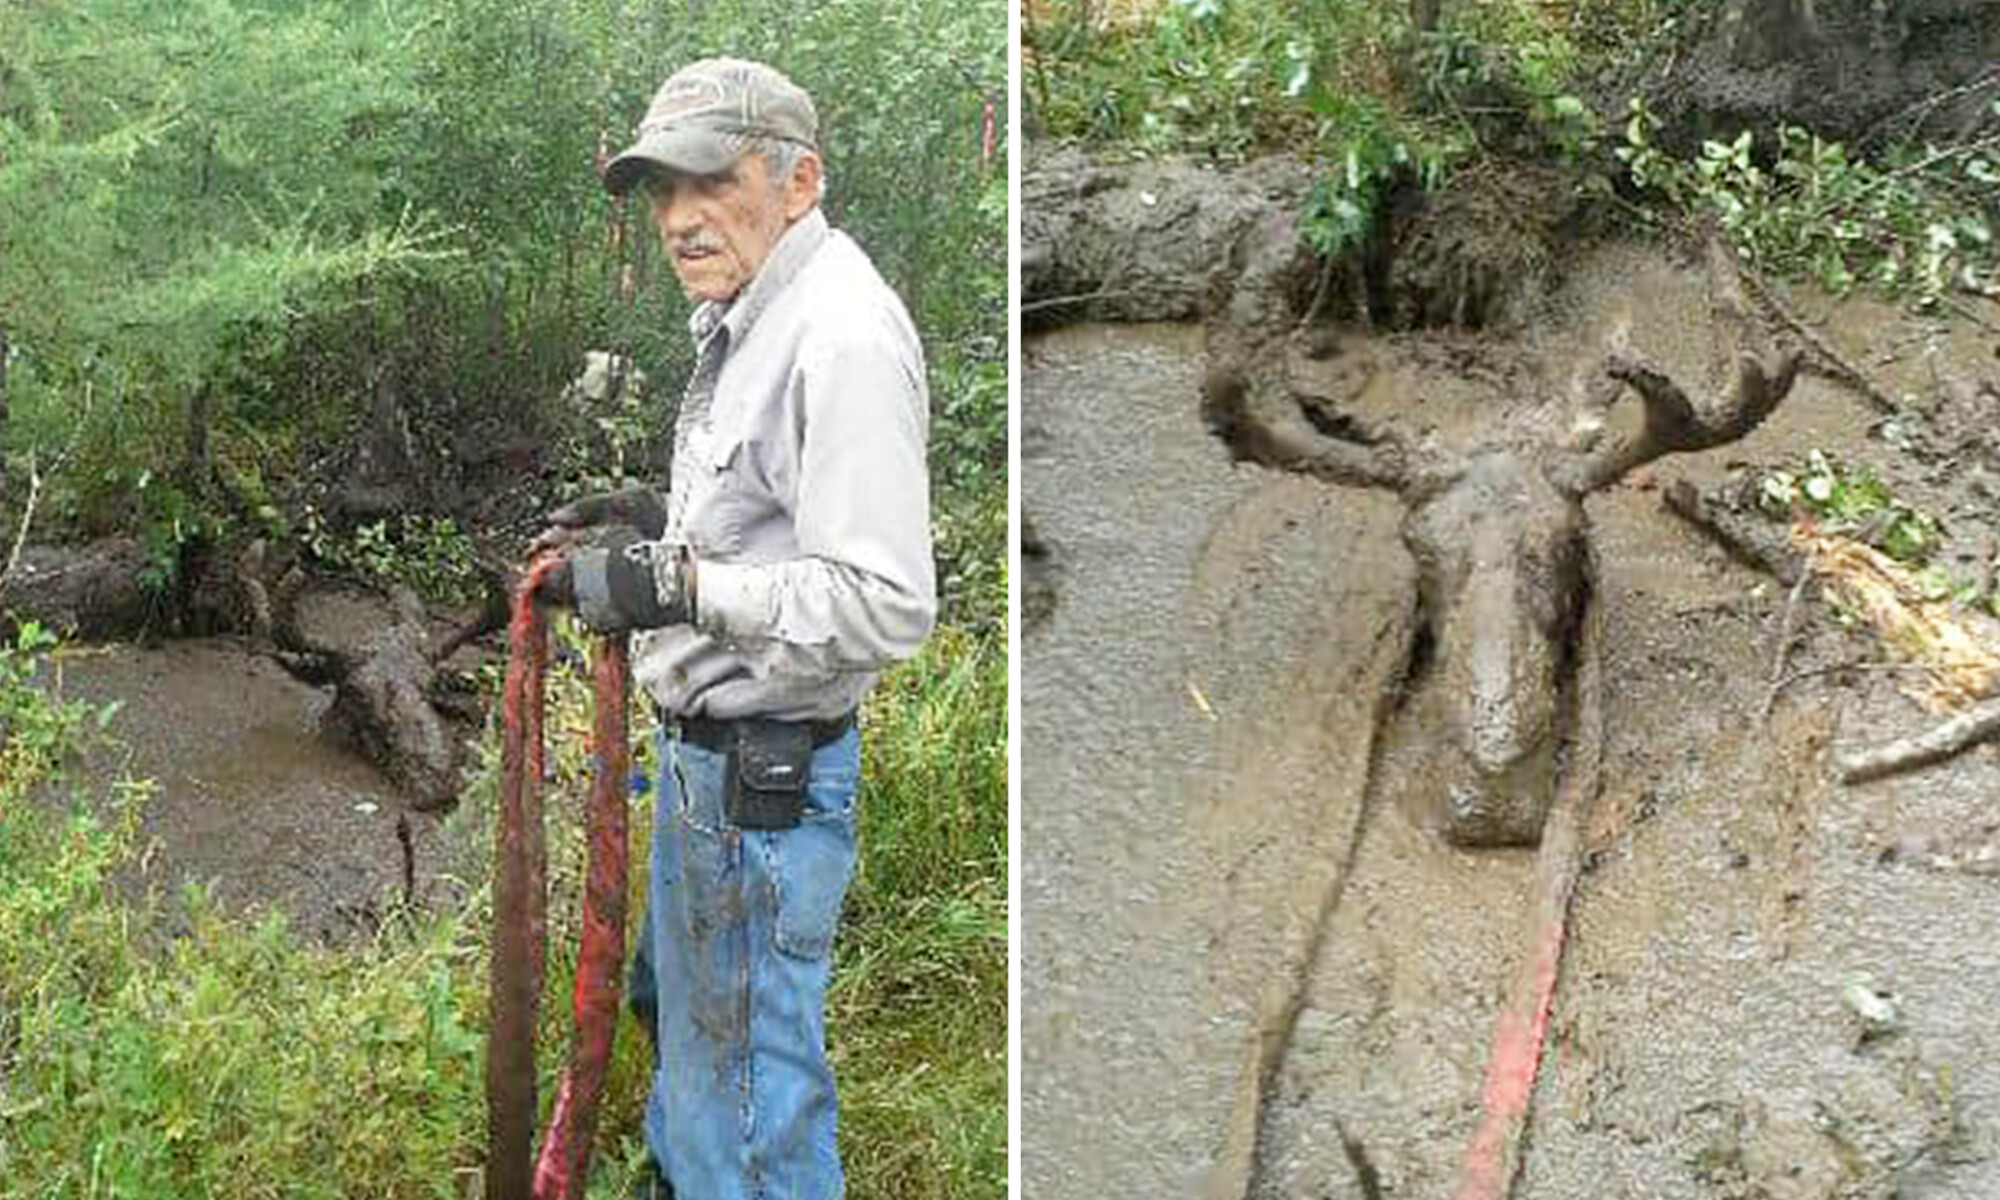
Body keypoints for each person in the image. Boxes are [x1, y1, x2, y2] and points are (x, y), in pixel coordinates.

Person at [532, 57, 935, 1200]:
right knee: (691, 1027)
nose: (676, 218)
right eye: (661, 192)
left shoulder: (838, 336)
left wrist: (676, 584)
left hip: (764, 786)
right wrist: (658, 525)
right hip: (704, 772)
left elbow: (884, 602)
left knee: (751, 1093)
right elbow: (773, 522)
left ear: (797, 181)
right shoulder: (749, 314)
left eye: (708, 182)